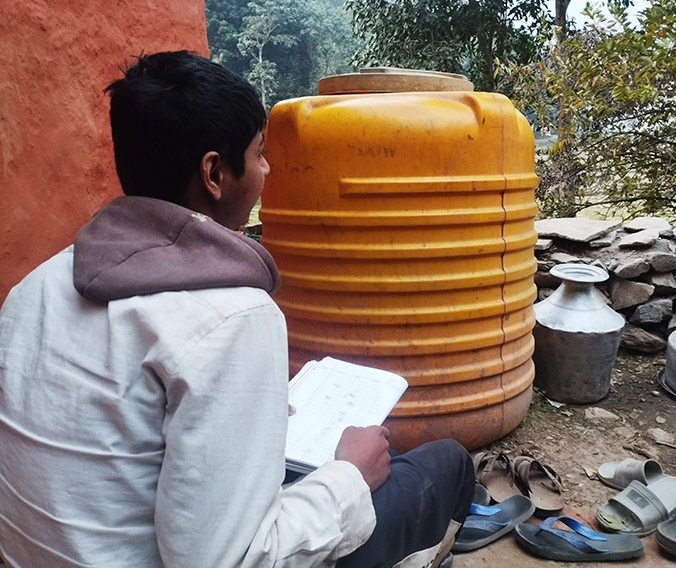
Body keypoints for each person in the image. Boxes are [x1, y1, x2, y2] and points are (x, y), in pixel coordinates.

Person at [0, 51, 473, 568]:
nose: (267, 169)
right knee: (444, 464)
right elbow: (226, 560)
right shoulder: (234, 317)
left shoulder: (34, 287)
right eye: (259, 153)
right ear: (214, 173)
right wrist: (349, 476)